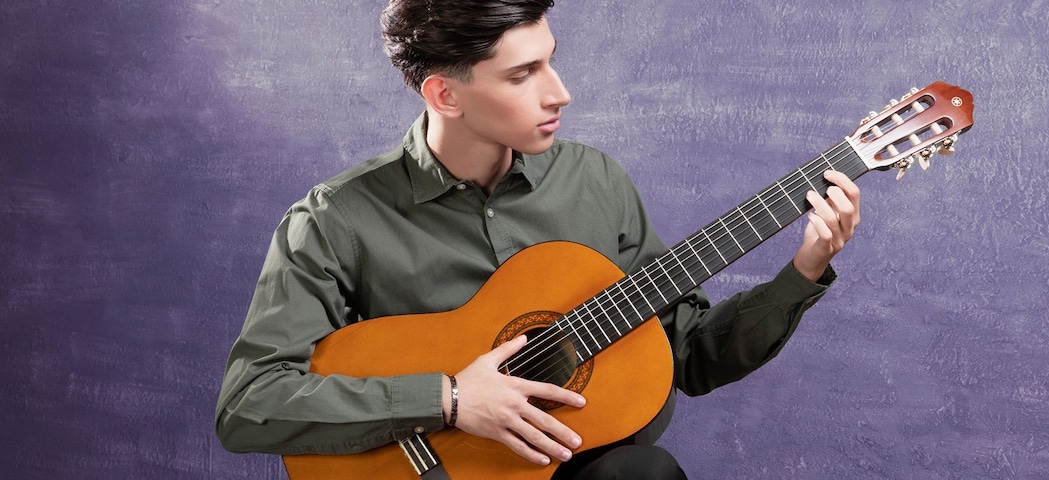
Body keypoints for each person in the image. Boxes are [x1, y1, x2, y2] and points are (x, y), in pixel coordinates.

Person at [214, 0, 862, 478]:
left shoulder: (596, 182)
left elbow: (689, 355)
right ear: (445, 94)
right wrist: (450, 400)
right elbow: (249, 404)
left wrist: (803, 269)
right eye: (523, 75)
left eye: (550, 62)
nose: (561, 93)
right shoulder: (334, 219)